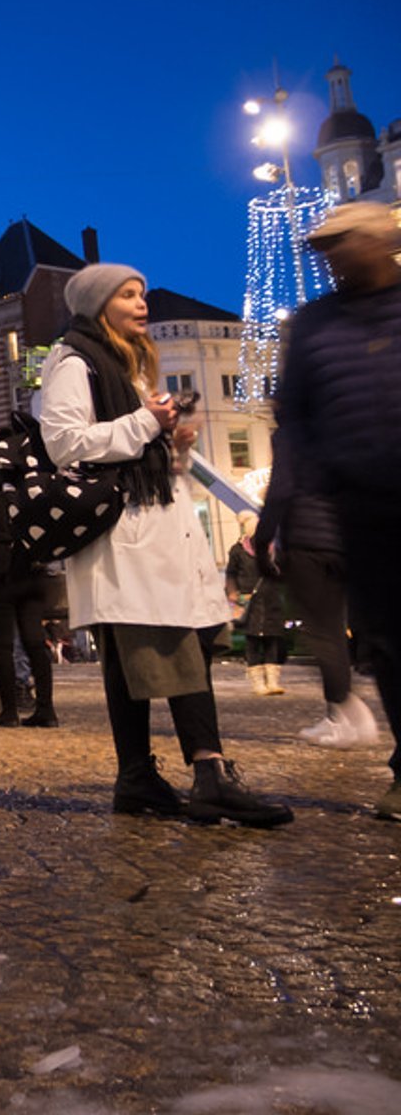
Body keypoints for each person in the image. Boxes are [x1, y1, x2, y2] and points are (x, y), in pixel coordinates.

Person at [40, 262, 291, 826]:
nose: (140, 303)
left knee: (141, 660)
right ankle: (210, 774)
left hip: (152, 532)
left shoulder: (124, 366)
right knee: (172, 649)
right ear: (98, 305)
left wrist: (170, 443)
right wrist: (145, 424)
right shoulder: (74, 361)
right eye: (127, 295)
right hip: (126, 538)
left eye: (142, 293)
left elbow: (132, 445)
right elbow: (63, 442)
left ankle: (137, 778)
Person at [257, 201, 401, 818]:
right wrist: (320, 481)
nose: (334, 257)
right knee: (388, 645)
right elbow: (295, 414)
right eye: (326, 248)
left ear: (381, 240)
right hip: (360, 506)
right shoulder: (315, 323)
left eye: (345, 243)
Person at [257, 422, 376, 747]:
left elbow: (280, 488)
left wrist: (263, 536)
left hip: (307, 544)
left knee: (320, 632)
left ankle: (347, 710)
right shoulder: (334, 428)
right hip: (342, 541)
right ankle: (337, 716)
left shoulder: (291, 432)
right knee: (334, 631)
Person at [0, 447, 58, 727]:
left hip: (2, 578)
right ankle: (46, 710)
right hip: (32, 573)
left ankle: (9, 711)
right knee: (35, 641)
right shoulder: (28, 487)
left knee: (3, 646)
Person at [223, 518, 287, 696]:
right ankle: (258, 683)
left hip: (271, 600)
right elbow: (231, 574)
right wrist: (232, 593)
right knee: (252, 641)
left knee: (271, 639)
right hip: (248, 601)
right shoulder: (238, 551)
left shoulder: (274, 551)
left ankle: (273, 681)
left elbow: (283, 573)